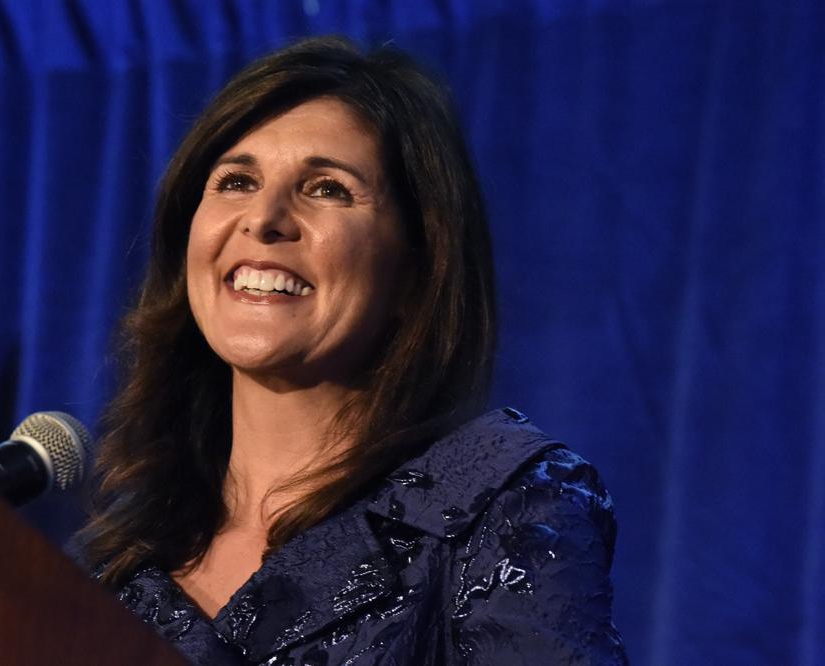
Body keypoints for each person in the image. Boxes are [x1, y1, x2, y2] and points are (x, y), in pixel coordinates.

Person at [76, 36, 627, 664]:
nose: (264, 219)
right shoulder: (115, 566)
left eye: (327, 188)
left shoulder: (499, 505)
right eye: (235, 180)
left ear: (417, 270)